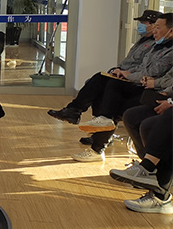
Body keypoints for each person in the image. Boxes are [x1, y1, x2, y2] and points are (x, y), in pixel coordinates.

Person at [71, 13, 173, 161]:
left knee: (116, 100)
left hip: (156, 93)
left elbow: (157, 74)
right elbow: (142, 68)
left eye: (157, 27)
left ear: (170, 30)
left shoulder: (169, 50)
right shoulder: (156, 45)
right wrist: (124, 72)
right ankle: (94, 129)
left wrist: (152, 82)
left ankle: (97, 135)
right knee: (105, 87)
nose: (154, 31)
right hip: (147, 86)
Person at [48, 9, 161, 125]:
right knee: (98, 80)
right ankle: (80, 114)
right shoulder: (142, 40)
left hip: (134, 79)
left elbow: (143, 67)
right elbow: (128, 61)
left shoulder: (155, 45)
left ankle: (85, 114)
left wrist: (126, 73)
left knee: (103, 82)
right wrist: (117, 70)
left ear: (153, 26)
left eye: (144, 23)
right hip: (124, 74)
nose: (140, 26)